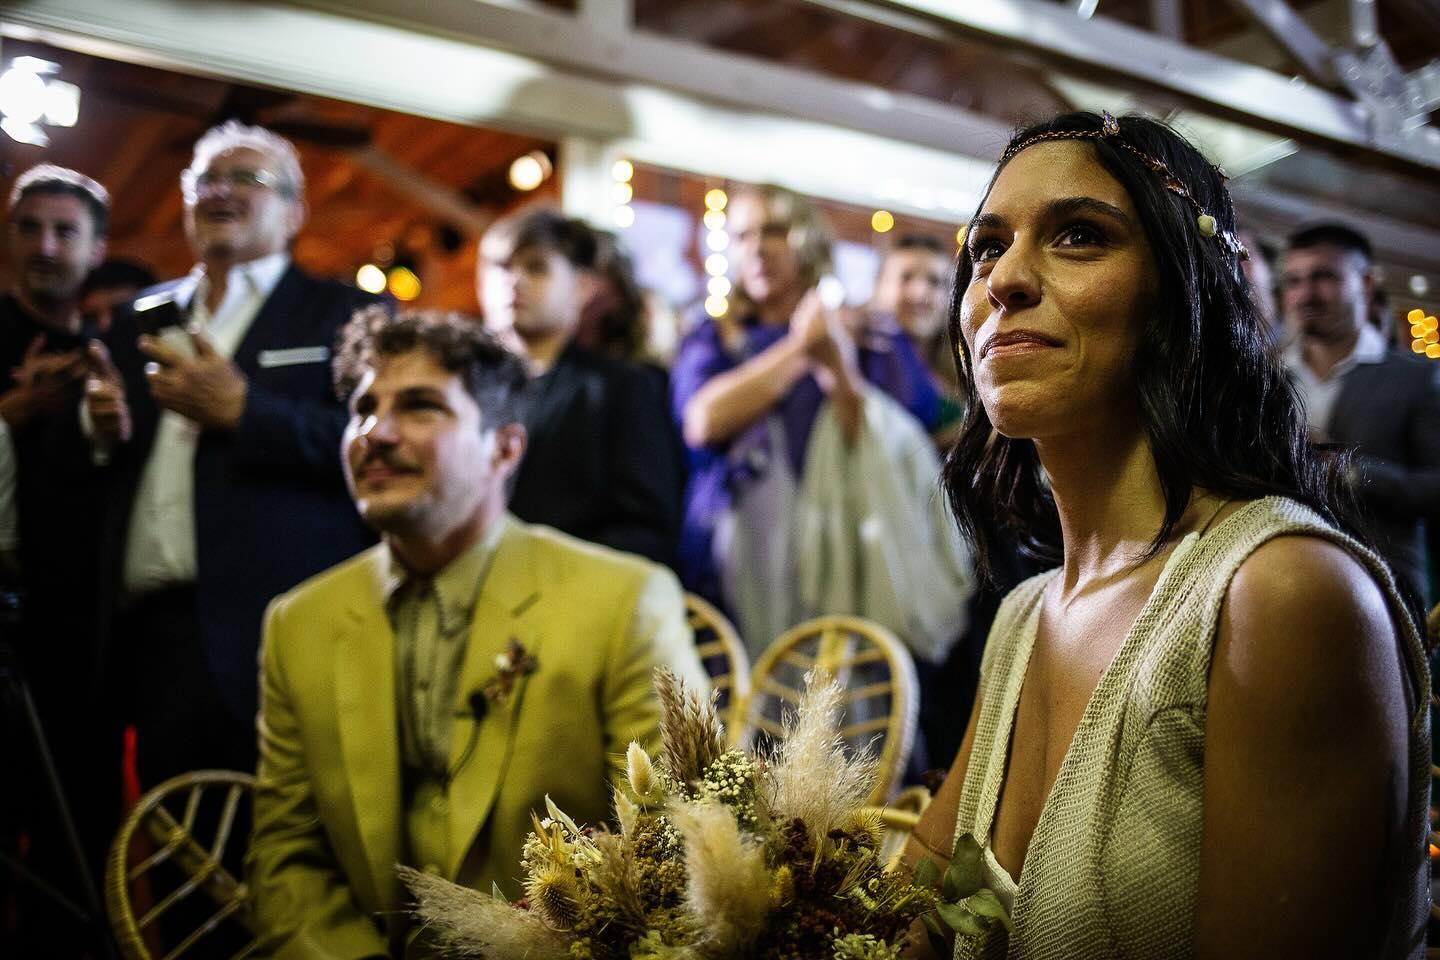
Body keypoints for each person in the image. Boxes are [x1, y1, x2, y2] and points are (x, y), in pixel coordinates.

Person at [904, 112, 1428, 958]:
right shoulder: (1026, 615)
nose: (1002, 280)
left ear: (1186, 295)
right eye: (987, 246)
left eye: (1078, 236)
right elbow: (911, 909)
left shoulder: (1279, 596)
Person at [247, 307, 706, 957]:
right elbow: (286, 856)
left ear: (505, 448)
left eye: (420, 406)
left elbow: (676, 842)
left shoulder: (623, 600)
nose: (374, 433)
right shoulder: (300, 621)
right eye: (362, 407)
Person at [85, 121, 379, 789]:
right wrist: (100, 430)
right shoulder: (141, 317)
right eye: (205, 180)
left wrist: (250, 414)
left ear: (295, 211)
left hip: (280, 631)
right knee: (177, 853)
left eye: (246, 178)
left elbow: (375, 442)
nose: (221, 191)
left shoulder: (343, 314)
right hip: (152, 635)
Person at [672, 184, 970, 661]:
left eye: (775, 231)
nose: (758, 248)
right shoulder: (714, 337)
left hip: (839, 547)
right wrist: (802, 347)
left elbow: (898, 447)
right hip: (732, 555)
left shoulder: (868, 335)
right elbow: (703, 421)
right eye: (744, 235)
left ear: (807, 239)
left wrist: (838, 366)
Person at [0, 164, 116, 959]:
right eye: (30, 227)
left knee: (81, 833)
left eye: (64, 229)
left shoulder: (119, 360)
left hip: (86, 642)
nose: (46, 245)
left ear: (96, 247)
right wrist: (6, 417)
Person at [477, 208, 683, 567]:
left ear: (582, 287)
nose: (514, 281)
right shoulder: (465, 392)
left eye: (536, 267)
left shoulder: (620, 388)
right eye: (500, 267)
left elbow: (648, 527)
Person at [1280, 223, 1440, 609]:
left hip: (1387, 586)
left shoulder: (1415, 376)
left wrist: (1350, 471)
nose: (1306, 294)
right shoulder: (1268, 379)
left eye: (1324, 277)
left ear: (1365, 283)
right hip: (1283, 580)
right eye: (1293, 281)